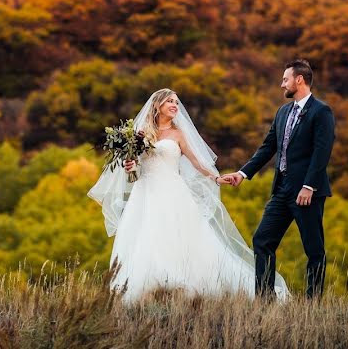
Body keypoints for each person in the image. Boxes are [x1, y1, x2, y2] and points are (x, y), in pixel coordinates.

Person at [87, 88, 289, 304]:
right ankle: (147, 291)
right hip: (145, 194)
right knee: (146, 238)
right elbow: (134, 171)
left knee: (180, 238)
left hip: (173, 193)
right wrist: (130, 166)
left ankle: (182, 288)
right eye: (170, 102)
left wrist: (215, 178)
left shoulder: (178, 134)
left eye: (176, 102)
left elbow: (197, 162)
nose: (175, 105)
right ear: (157, 105)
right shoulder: (141, 133)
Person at [221, 59, 335, 300]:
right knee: (262, 240)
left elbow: (322, 151)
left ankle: (312, 303)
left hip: (307, 193)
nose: (282, 84)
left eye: (285, 79)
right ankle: (265, 300)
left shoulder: (321, 111)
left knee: (314, 250)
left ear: (299, 80)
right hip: (281, 190)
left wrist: (308, 186)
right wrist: (242, 174)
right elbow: (267, 147)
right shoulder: (283, 112)